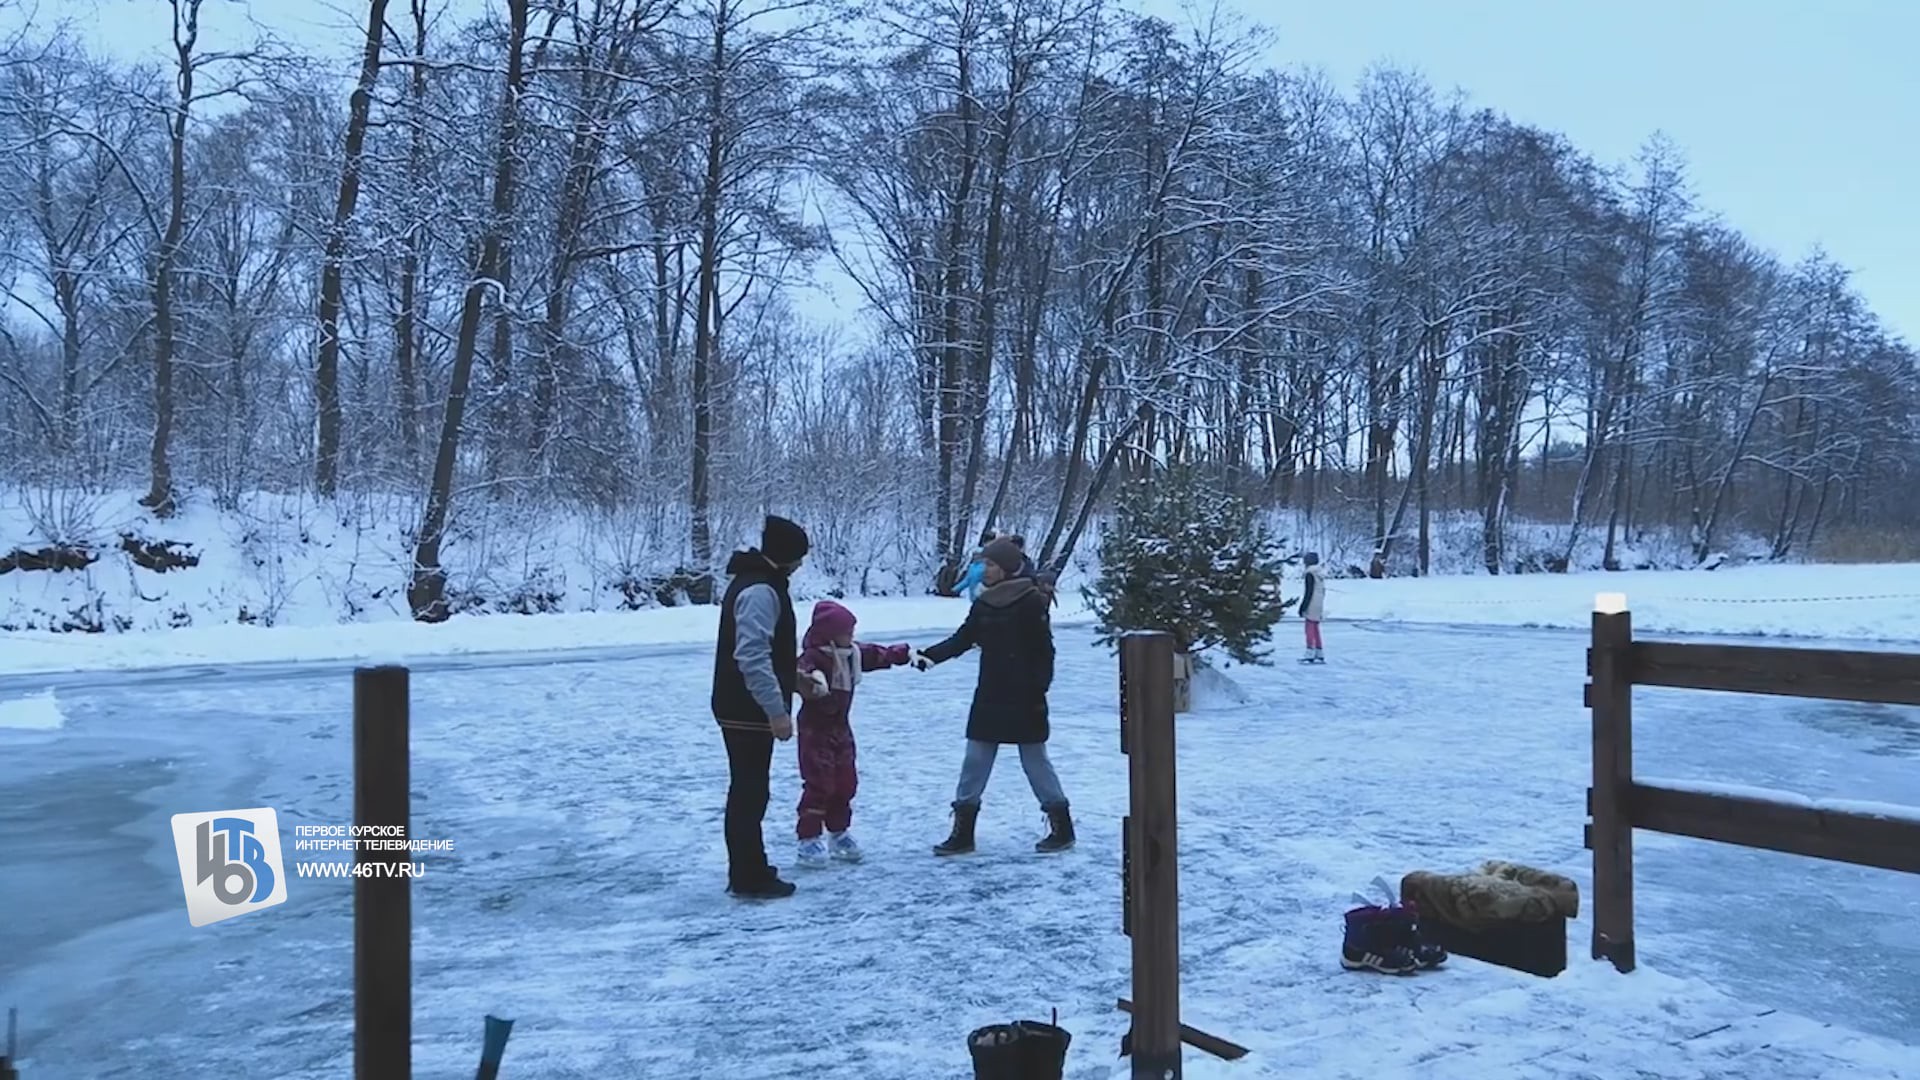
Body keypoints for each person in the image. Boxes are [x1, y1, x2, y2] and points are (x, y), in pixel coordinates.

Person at [910, 536, 1073, 855]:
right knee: (975, 761)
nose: (984, 569)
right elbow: (963, 638)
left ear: (1008, 569)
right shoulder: (984, 603)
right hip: (990, 694)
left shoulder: (1030, 602)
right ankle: (963, 834)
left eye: (991, 564)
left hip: (1025, 697)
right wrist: (930, 656)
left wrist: (1038, 689)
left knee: (1035, 761)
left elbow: (1045, 653)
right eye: (983, 563)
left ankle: (1062, 827)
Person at [712, 514, 810, 899]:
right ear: (786, 556)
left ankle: (750, 868)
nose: (801, 565)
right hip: (746, 709)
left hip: (741, 705)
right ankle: (748, 876)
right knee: (749, 792)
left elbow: (768, 653)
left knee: (750, 790)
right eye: (799, 557)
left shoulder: (760, 583)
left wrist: (794, 681)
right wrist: (776, 710)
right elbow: (751, 656)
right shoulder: (760, 591)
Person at [792, 599, 913, 867]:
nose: (852, 637)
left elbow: (877, 654)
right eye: (846, 632)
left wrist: (903, 653)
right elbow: (798, 673)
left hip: (841, 729)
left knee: (846, 782)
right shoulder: (813, 657)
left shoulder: (851, 654)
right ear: (829, 634)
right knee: (819, 784)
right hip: (815, 730)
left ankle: (839, 832)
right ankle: (808, 838)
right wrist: (811, 682)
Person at [952, 529, 997, 600]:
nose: (976, 557)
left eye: (977, 555)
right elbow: (967, 580)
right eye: (974, 555)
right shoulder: (972, 567)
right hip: (973, 596)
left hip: (984, 595)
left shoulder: (986, 565)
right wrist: (956, 588)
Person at [1299, 551, 1326, 664]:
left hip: (1312, 602)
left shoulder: (1310, 573)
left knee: (1309, 627)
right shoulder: (1319, 573)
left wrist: (1303, 607)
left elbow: (1308, 592)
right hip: (1319, 602)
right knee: (1315, 627)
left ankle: (1310, 650)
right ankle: (1319, 651)